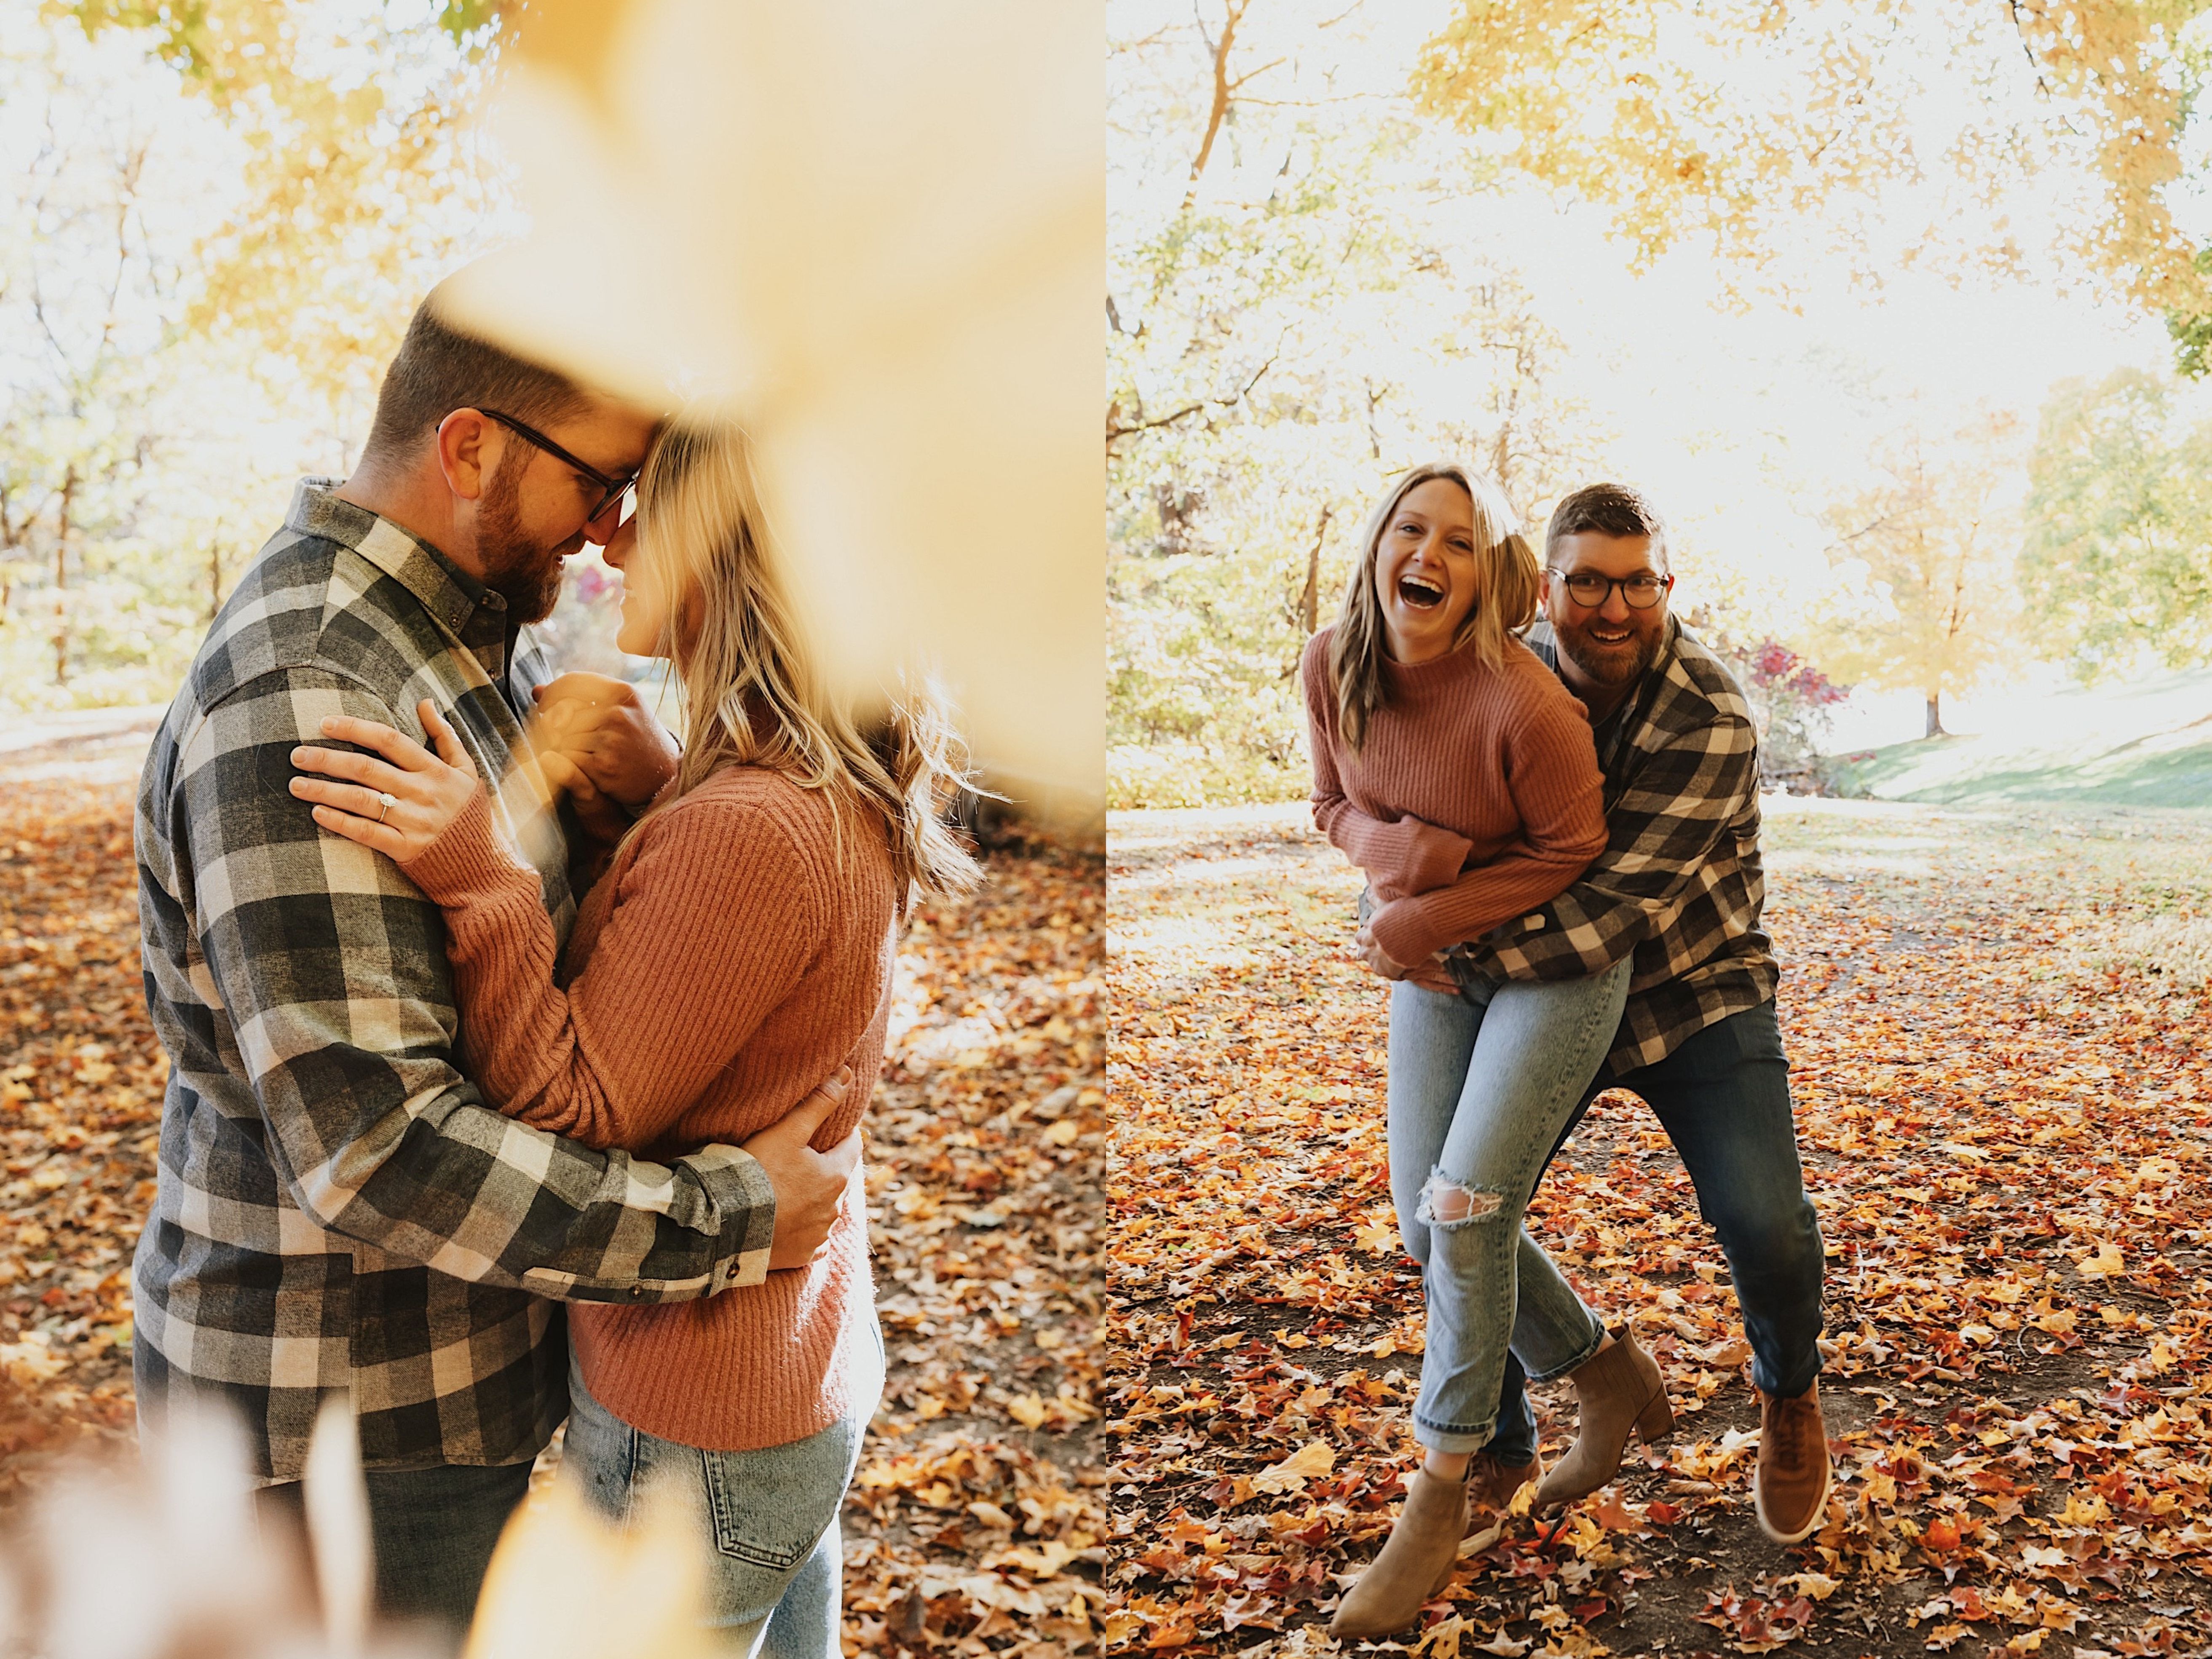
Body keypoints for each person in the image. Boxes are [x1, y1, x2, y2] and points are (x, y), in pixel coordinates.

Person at [132, 289, 859, 1646]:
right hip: (341, 1420)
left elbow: (623, 970)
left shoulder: (456, 643)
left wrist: (653, 817)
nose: (610, 527)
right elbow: (375, 1152)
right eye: (602, 480)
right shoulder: (313, 692)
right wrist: (732, 1221)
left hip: (464, 1383)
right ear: (469, 446)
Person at [290, 418, 979, 1656]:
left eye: (644, 506)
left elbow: (573, 1106)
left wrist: (482, 878)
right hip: (781, 1376)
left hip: (700, 1418)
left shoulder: (753, 827)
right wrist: (661, 803)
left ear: (735, 555)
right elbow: (730, 1003)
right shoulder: (810, 788)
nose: (607, 531)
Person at [1299, 464, 1658, 1640]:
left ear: (1486, 573)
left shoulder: (1523, 703)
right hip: (1442, 965)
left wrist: (1416, 911)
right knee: (1422, 1216)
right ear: (1380, 543)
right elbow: (1328, 808)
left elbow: (1573, 846)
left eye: (1460, 541)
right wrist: (1399, 853)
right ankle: (1598, 1367)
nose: (1431, 555)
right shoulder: (1329, 666)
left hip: (1555, 967)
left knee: (1462, 1206)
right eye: (1413, 529)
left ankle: (1438, 1494)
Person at [1446, 482, 1831, 1546]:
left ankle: (1788, 1391)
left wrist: (1447, 937)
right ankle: (1504, 1435)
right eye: (1588, 584)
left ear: (1668, 585)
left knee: (1767, 1221)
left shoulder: (1707, 714)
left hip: (1694, 987)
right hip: (1544, 994)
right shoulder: (1489, 676)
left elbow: (1611, 910)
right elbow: (1417, 789)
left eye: (1638, 585)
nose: (1613, 610)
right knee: (1459, 1209)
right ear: (1545, 586)